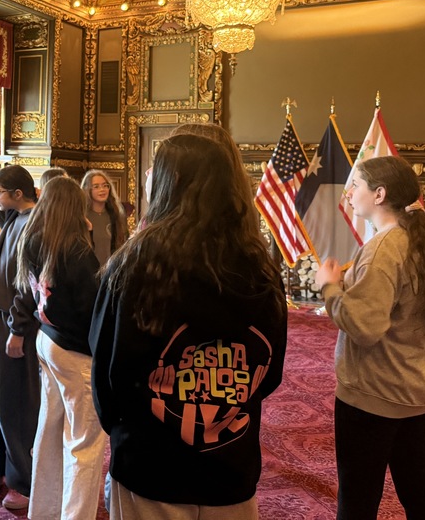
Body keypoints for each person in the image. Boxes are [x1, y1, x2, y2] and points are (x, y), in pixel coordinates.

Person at [90, 133, 288, 520]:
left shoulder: (133, 264)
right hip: (230, 467)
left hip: (149, 465)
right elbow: (268, 373)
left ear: (169, 183)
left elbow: (108, 376)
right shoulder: (261, 268)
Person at [315, 155, 425, 520]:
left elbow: (364, 328)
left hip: (374, 398)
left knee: (358, 502)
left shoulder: (383, 249)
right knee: (422, 497)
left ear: (379, 194)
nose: (348, 194)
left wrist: (330, 289)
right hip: (423, 393)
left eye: (356, 186)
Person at [15, 176, 104, 520]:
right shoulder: (76, 251)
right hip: (75, 351)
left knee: (50, 433)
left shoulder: (34, 237)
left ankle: (46, 511)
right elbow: (92, 311)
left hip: (47, 340)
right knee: (85, 442)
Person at [0, 164, 41, 512]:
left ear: (18, 194)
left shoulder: (33, 223)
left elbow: (28, 283)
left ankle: (24, 481)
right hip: (0, 318)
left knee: (16, 401)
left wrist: (18, 329)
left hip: (14, 323)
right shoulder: (16, 218)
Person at [81, 169, 127, 266]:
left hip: (111, 271)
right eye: (96, 187)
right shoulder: (82, 216)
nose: (102, 189)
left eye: (105, 185)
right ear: (87, 189)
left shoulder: (116, 215)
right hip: (88, 272)